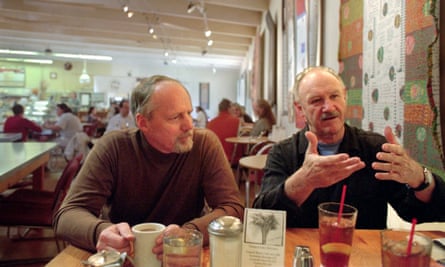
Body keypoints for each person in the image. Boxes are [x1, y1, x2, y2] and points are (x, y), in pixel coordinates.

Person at [53, 75, 244, 259]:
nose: (189, 125)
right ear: (143, 122)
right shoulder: (114, 147)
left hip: (183, 255)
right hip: (127, 255)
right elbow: (67, 215)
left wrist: (190, 233)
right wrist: (101, 232)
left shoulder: (203, 144)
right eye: (175, 117)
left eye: (189, 113)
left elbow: (233, 208)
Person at [253, 66, 445, 229]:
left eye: (334, 96)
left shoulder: (375, 148)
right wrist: (305, 181)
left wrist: (420, 178)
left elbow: (420, 213)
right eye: (316, 101)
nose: (328, 107)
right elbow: (261, 219)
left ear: (344, 98)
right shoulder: (283, 153)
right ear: (300, 109)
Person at [206, 98, 241, 164]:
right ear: (229, 108)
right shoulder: (236, 121)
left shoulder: (210, 123)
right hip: (231, 158)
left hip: (213, 158)